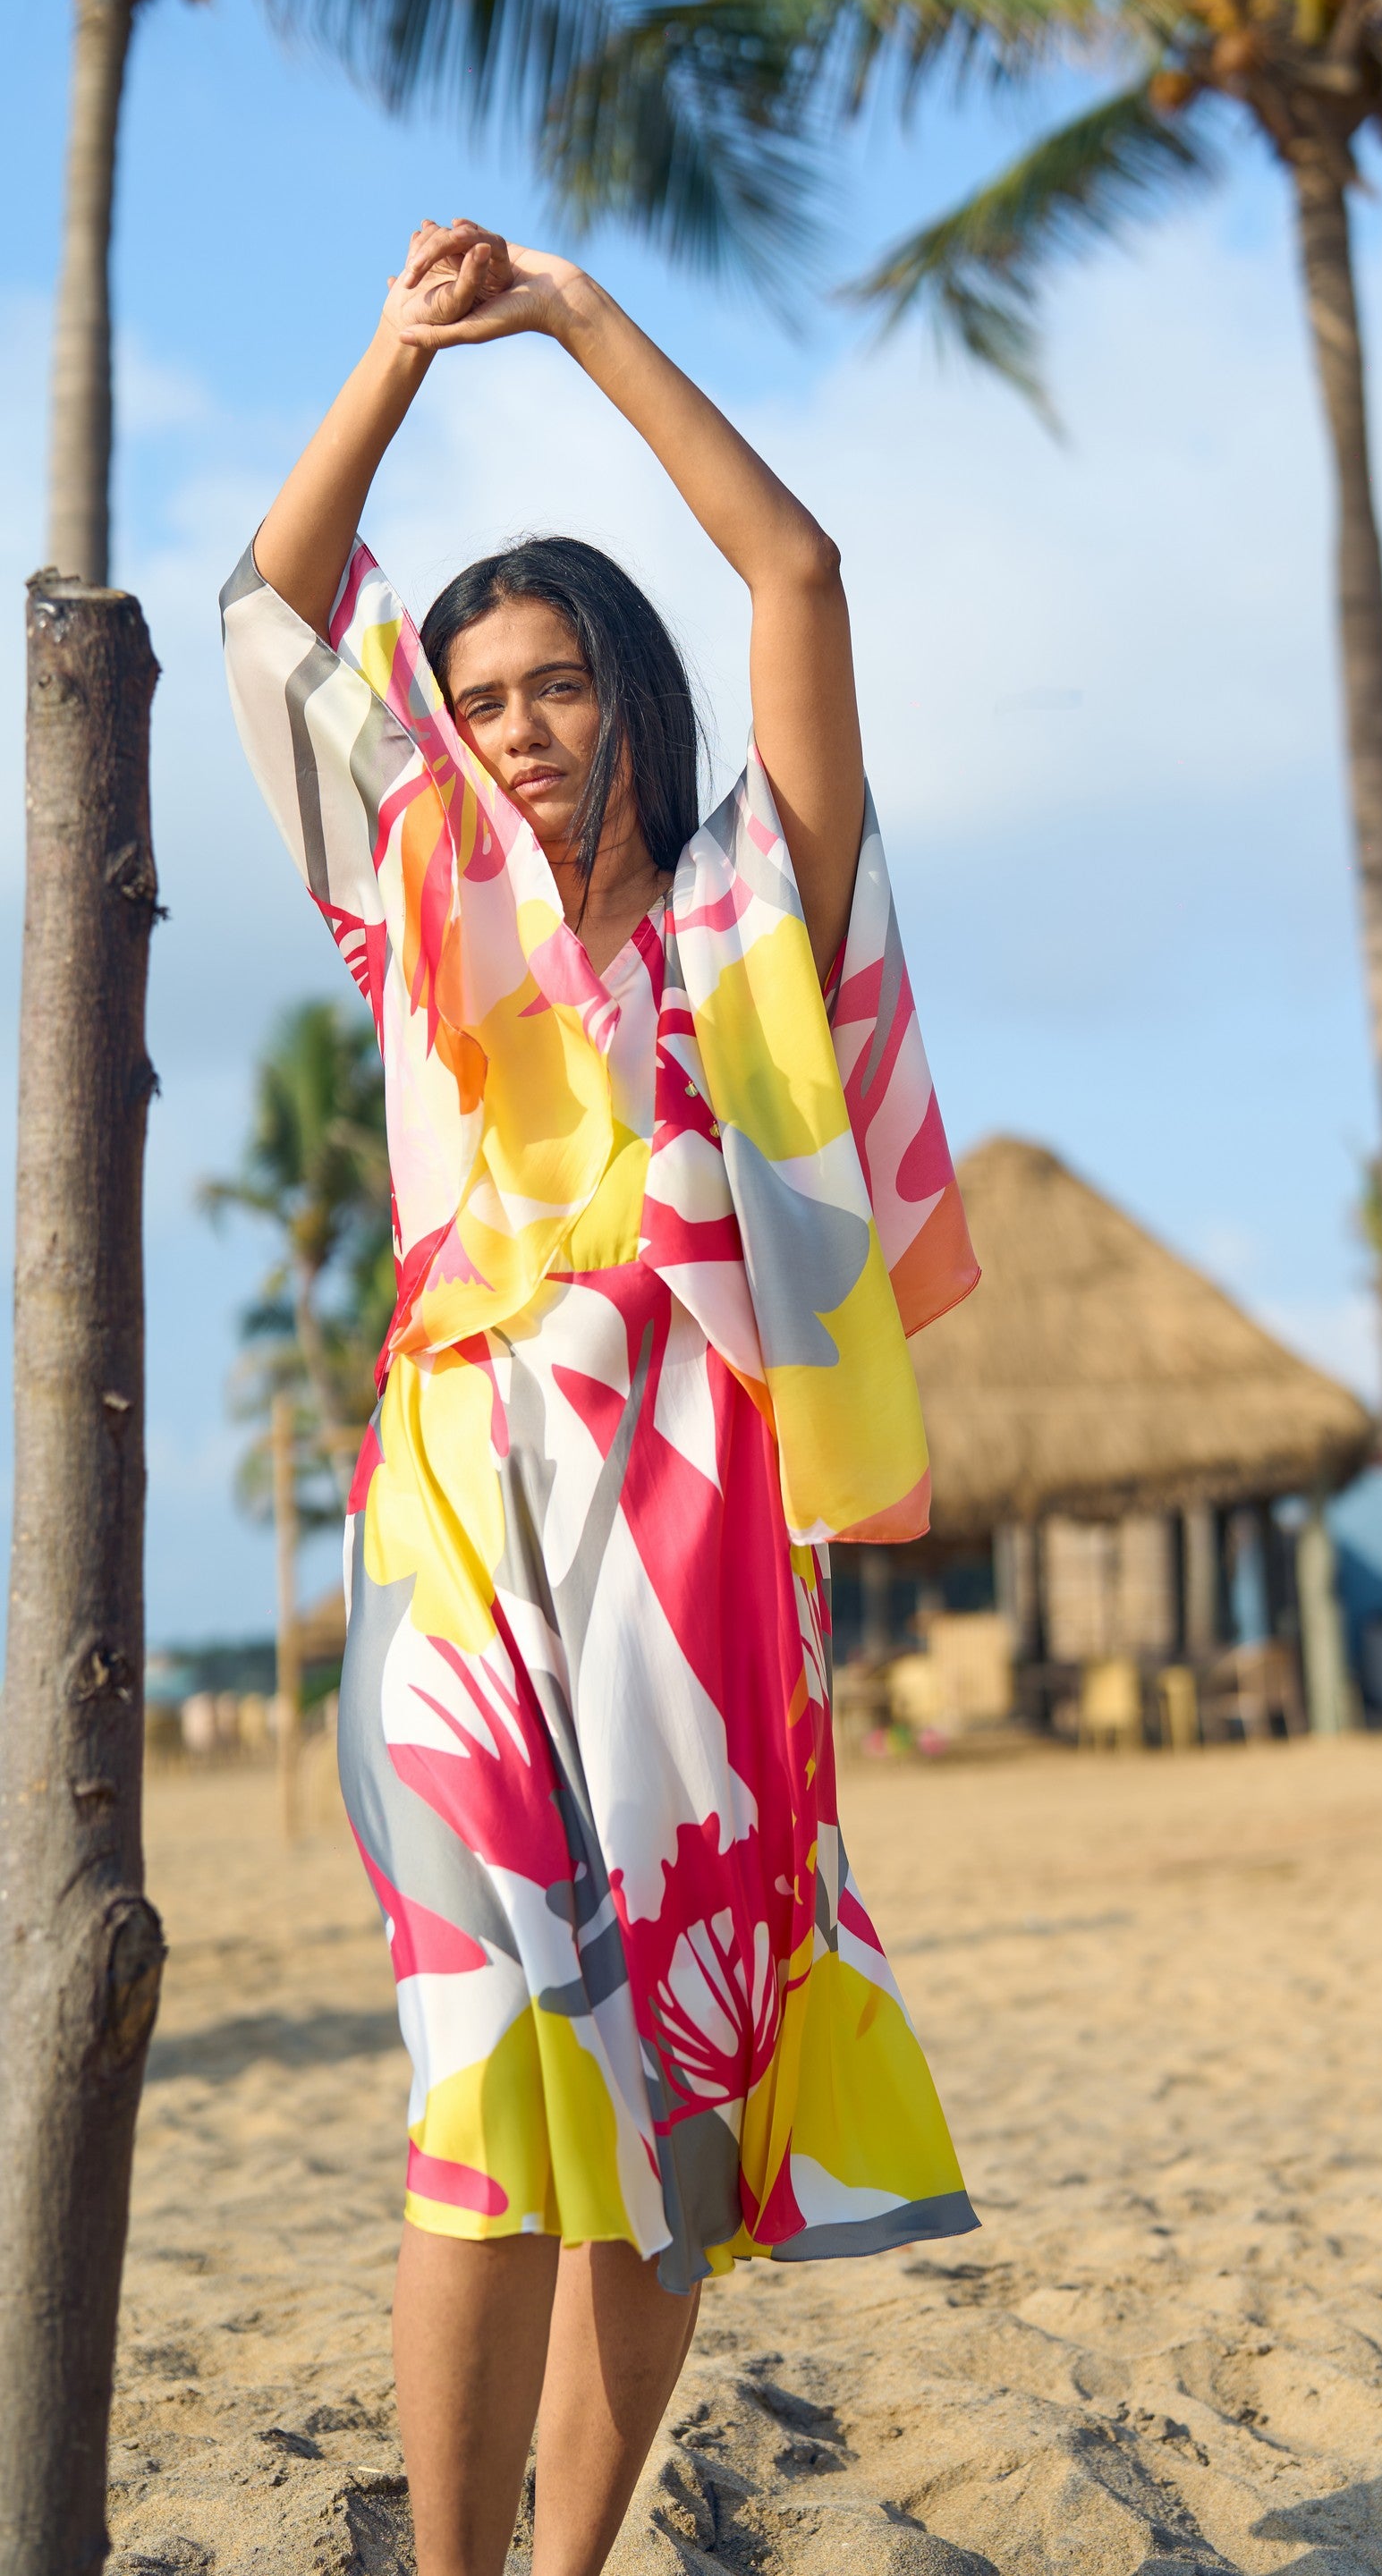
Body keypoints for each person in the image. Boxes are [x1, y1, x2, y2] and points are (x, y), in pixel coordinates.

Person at [222, 221, 980, 2576]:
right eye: (479, 692)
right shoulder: (416, 902)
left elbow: (799, 561)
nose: (520, 724)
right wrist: (396, 356)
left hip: (698, 1559)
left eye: (557, 680)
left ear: (625, 696)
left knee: (666, 2092)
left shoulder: (762, 896)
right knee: (484, 2073)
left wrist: (577, 322)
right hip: (457, 1538)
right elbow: (268, 613)